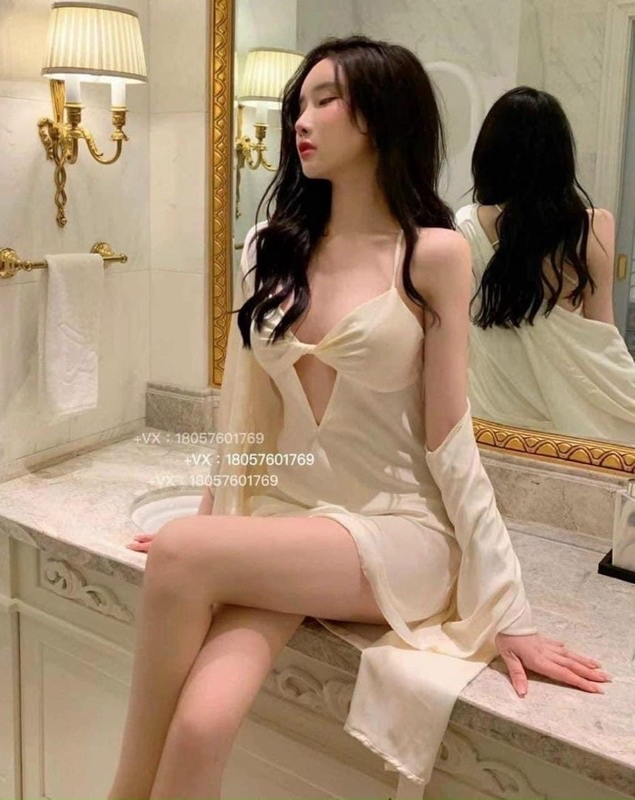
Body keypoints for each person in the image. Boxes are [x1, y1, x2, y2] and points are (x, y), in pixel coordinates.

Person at [110, 40, 610, 798]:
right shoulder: (269, 248)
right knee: (202, 725)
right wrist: (218, 522)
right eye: (300, 104)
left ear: (381, 117)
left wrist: (510, 610)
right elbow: (245, 411)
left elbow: (451, 441)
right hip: (293, 519)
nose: (301, 120)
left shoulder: (434, 254)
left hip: (397, 530)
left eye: (325, 101)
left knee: (180, 552)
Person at [456, 86, 635, 442]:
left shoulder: (467, 224)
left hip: (492, 415)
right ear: (561, 156)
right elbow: (602, 332)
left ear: (490, 153)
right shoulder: (593, 225)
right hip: (572, 419)